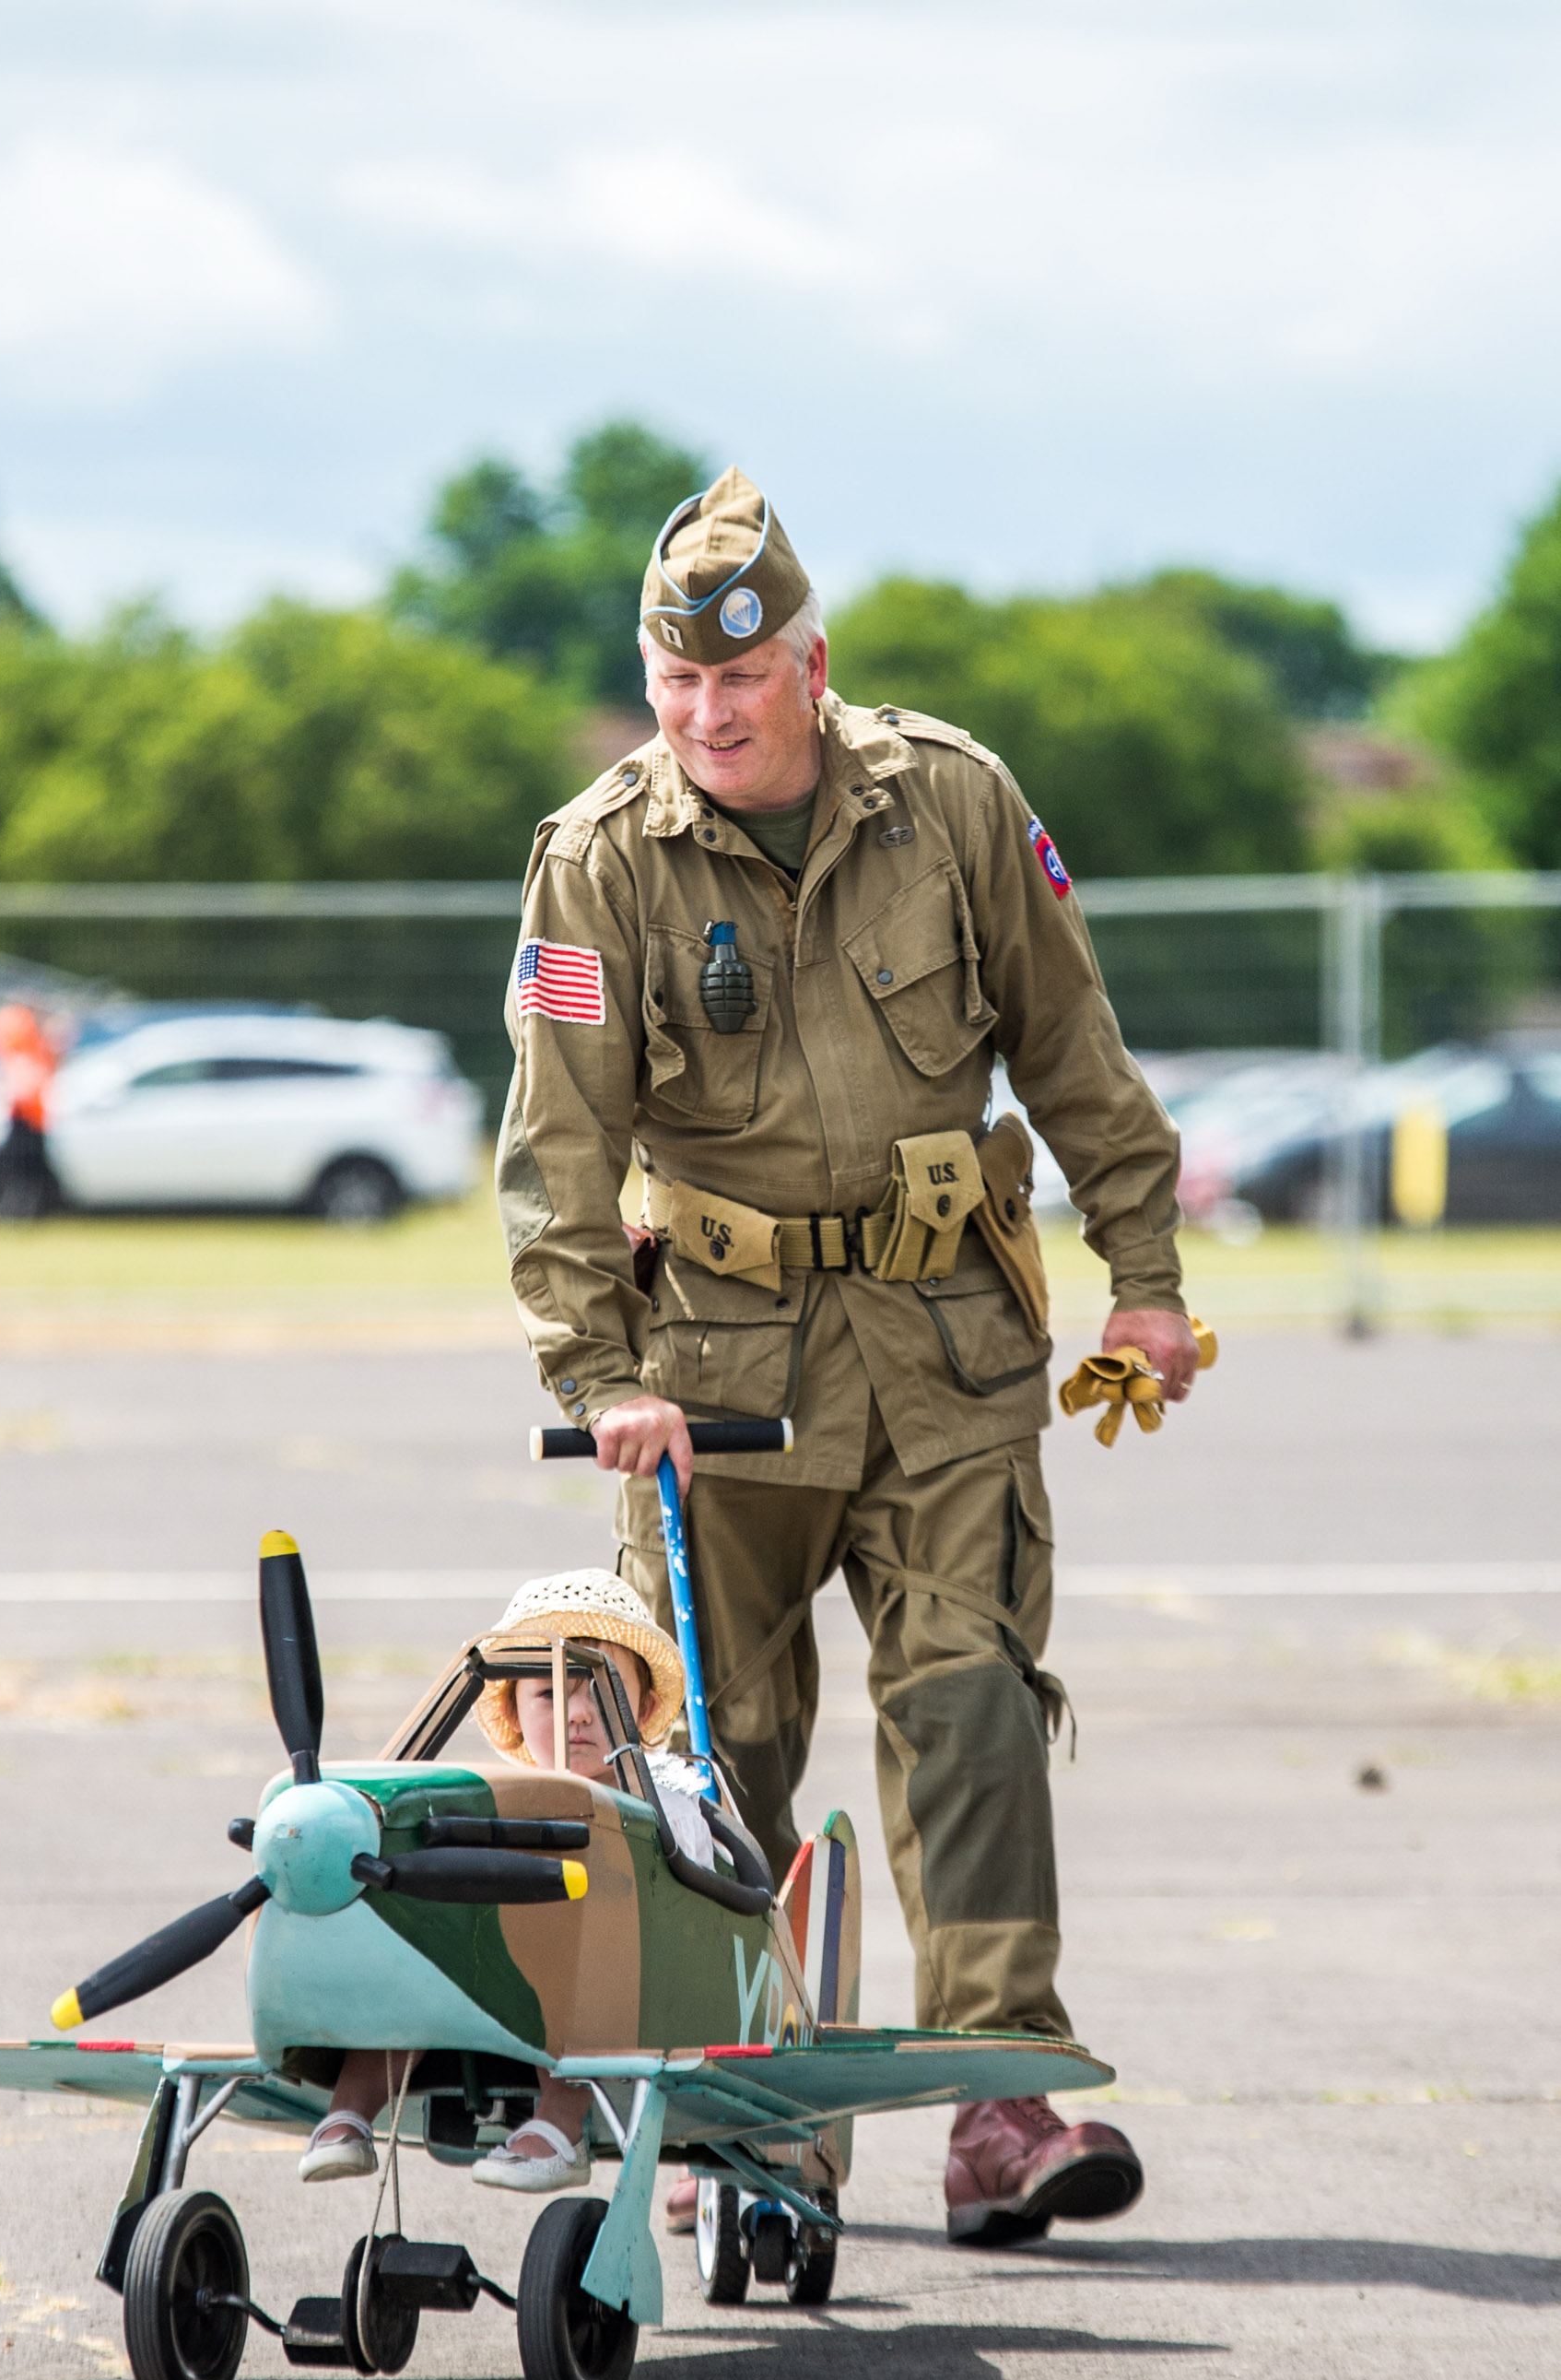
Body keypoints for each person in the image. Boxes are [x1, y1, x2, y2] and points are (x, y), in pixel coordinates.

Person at [494, 466, 1200, 2246]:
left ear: (807, 664)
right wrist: (596, 1377)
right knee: (718, 1748)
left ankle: (998, 2104)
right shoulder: (598, 859)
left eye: (737, 682)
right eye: (673, 684)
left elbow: (1073, 1047)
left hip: (948, 1343)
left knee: (966, 1703)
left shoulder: (954, 804)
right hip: (717, 1370)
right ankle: (756, 2116)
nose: (704, 716)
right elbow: (557, 1147)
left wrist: (1146, 1275)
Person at [297, 1570, 715, 2193]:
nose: (576, 1712)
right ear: (516, 1717)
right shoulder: (499, 1805)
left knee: (573, 1934)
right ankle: (351, 2107)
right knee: (421, 1928)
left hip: (642, 1994)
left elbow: (692, 1912)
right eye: (547, 1693)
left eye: (600, 1691)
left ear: (646, 1708)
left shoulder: (670, 1806)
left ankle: (561, 2119)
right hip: (495, 1990)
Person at [0, 1002, 65, 1216]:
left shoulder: (35, 1045)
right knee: (20, 1166)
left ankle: (24, 1209)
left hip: (32, 1112)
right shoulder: (18, 1034)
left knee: (28, 1168)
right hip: (23, 1110)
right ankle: (13, 1209)